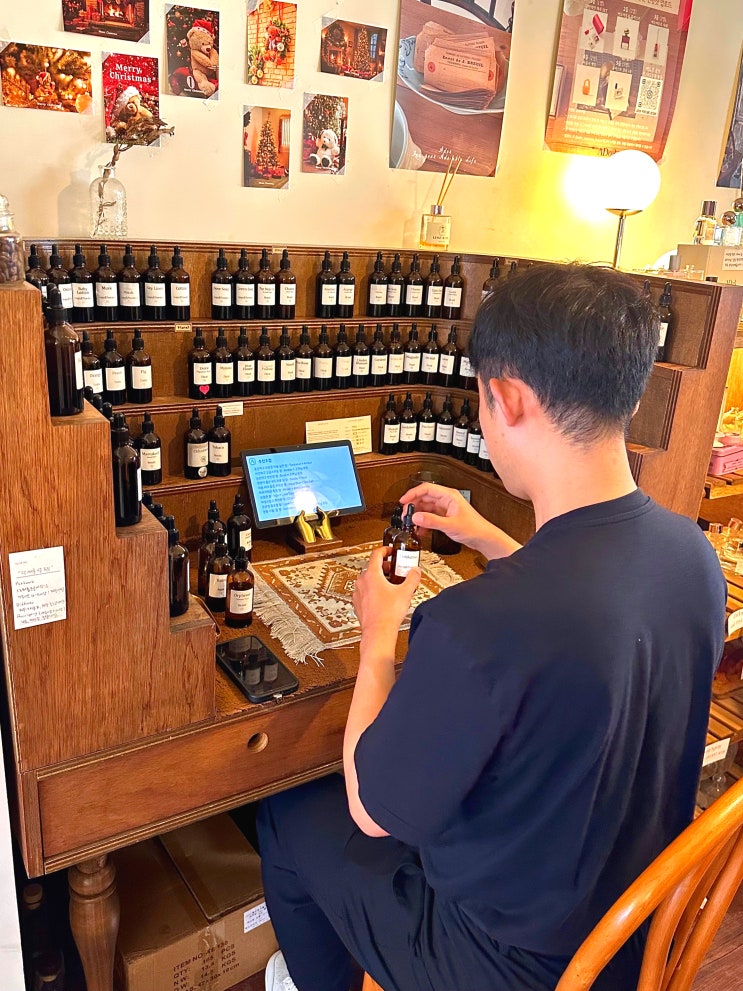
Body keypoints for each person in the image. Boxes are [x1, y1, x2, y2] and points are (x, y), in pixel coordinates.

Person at [257, 263, 726, 991]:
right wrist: (489, 538)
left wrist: (378, 634)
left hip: (500, 963)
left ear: (504, 399)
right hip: (626, 930)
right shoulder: (690, 554)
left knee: (286, 813)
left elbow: (372, 810)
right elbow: (589, 615)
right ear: (630, 391)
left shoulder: (476, 624)